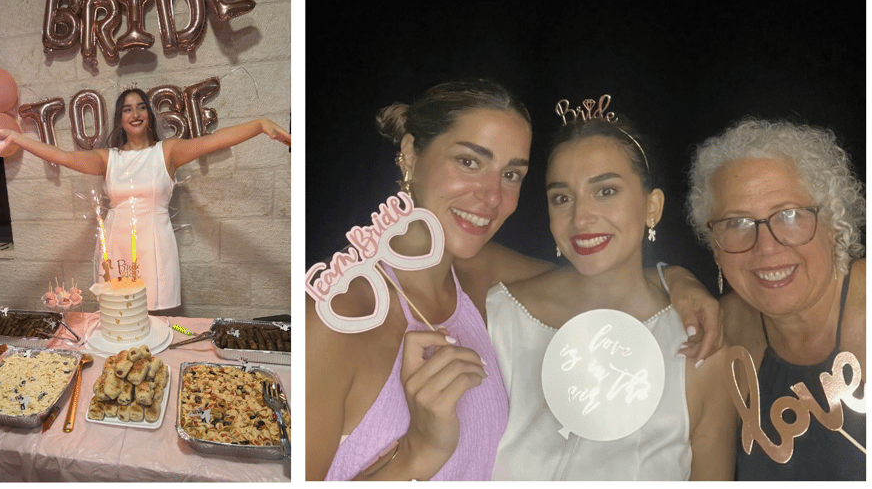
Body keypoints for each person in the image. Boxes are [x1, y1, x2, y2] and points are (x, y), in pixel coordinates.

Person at [306, 81, 722, 481]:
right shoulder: (337, 319)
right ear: (411, 153)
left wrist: (677, 280)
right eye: (469, 161)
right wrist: (420, 451)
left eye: (511, 175)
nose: (490, 196)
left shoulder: (476, 283)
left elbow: (603, 276)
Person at [486, 106, 736, 480]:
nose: (581, 218)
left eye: (605, 191)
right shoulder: (501, 319)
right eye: (562, 198)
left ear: (652, 207)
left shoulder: (699, 347)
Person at [0, 88, 290, 312]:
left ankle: (177, 338)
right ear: (120, 118)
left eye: (141, 107)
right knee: (117, 315)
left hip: (155, 243)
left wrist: (260, 124)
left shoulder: (167, 151)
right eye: (127, 109)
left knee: (160, 319)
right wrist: (18, 138)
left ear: (149, 115)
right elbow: (64, 156)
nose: (135, 113)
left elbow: (212, 141)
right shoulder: (107, 157)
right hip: (115, 243)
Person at [687, 118, 865, 480]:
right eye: (737, 223)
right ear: (714, 246)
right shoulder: (726, 331)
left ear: (833, 221)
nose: (767, 248)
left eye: (789, 215)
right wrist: (675, 281)